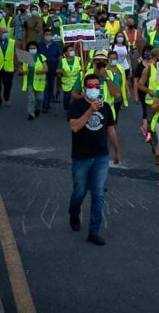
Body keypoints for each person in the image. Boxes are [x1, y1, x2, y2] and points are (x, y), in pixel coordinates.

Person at [67, 74, 121, 246]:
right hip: (81, 157)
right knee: (79, 192)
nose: (94, 89)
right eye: (91, 86)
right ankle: (74, 212)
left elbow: (111, 130)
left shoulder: (105, 107)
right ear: (84, 89)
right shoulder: (77, 106)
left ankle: (94, 231)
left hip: (101, 157)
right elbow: (75, 127)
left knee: (98, 194)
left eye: (97, 86)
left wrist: (117, 150)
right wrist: (90, 111)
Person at [20, 41, 48, 120]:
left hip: (39, 82)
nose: (32, 50)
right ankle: (31, 114)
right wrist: (23, 71)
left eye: (34, 48)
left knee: (40, 98)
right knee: (31, 99)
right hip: (30, 81)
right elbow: (20, 68)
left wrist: (41, 71)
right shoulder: (25, 57)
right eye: (31, 48)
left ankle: (37, 109)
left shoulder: (41, 57)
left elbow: (46, 69)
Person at [38, 28, 63, 112]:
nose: (48, 36)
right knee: (45, 86)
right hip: (42, 70)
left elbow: (59, 57)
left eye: (50, 34)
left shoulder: (56, 45)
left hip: (53, 69)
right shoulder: (40, 45)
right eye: (46, 34)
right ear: (43, 35)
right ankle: (45, 105)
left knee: (50, 86)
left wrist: (60, 67)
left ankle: (48, 100)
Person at [134, 45, 154, 140]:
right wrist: (136, 95)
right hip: (143, 91)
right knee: (145, 109)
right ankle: (146, 128)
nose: (148, 53)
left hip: (153, 92)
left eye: (150, 52)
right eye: (146, 51)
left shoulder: (155, 65)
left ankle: (150, 127)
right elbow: (136, 82)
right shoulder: (139, 66)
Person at [107, 50, 129, 121]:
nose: (113, 60)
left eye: (115, 58)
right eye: (111, 58)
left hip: (118, 98)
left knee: (115, 117)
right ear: (108, 59)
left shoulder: (120, 68)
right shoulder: (105, 69)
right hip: (108, 98)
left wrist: (127, 90)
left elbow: (124, 81)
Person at [58, 44, 81, 111]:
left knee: (76, 99)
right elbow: (58, 70)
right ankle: (67, 109)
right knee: (66, 99)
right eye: (70, 50)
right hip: (67, 85)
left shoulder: (79, 59)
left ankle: (75, 111)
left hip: (77, 83)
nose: (72, 51)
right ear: (66, 52)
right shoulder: (62, 61)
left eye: (73, 50)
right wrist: (60, 71)